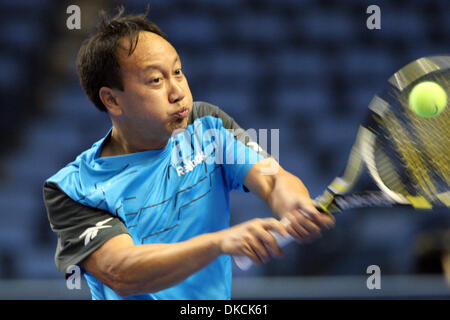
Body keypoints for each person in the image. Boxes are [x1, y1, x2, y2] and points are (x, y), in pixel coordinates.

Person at [43, 7, 335, 300]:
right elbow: (121, 272)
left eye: (178, 72)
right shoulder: (72, 188)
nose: (178, 91)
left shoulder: (206, 125)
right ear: (112, 100)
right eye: (156, 80)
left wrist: (293, 205)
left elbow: (272, 179)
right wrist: (218, 243)